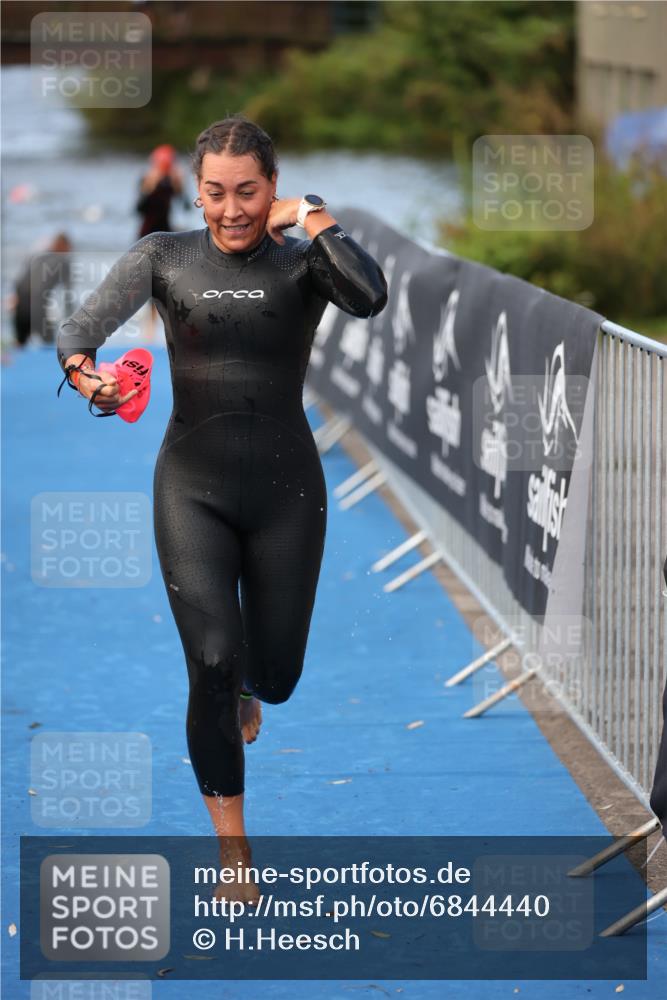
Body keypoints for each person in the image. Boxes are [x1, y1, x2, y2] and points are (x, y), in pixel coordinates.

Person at [56, 115, 388, 884]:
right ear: (194, 193)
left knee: (273, 676)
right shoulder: (163, 257)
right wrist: (89, 378)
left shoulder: (307, 264)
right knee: (209, 659)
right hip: (191, 486)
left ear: (271, 189)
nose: (231, 209)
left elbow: (369, 296)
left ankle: (249, 686)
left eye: (247, 192)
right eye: (214, 193)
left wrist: (313, 213)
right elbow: (80, 329)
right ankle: (231, 843)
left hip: (286, 490)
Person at [12, 232, 72, 347]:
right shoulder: (63, 262)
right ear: (65, 247)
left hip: (20, 299)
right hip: (37, 304)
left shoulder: (39, 256)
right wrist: (71, 319)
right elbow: (68, 293)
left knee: (20, 344)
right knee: (49, 344)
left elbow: (21, 281)